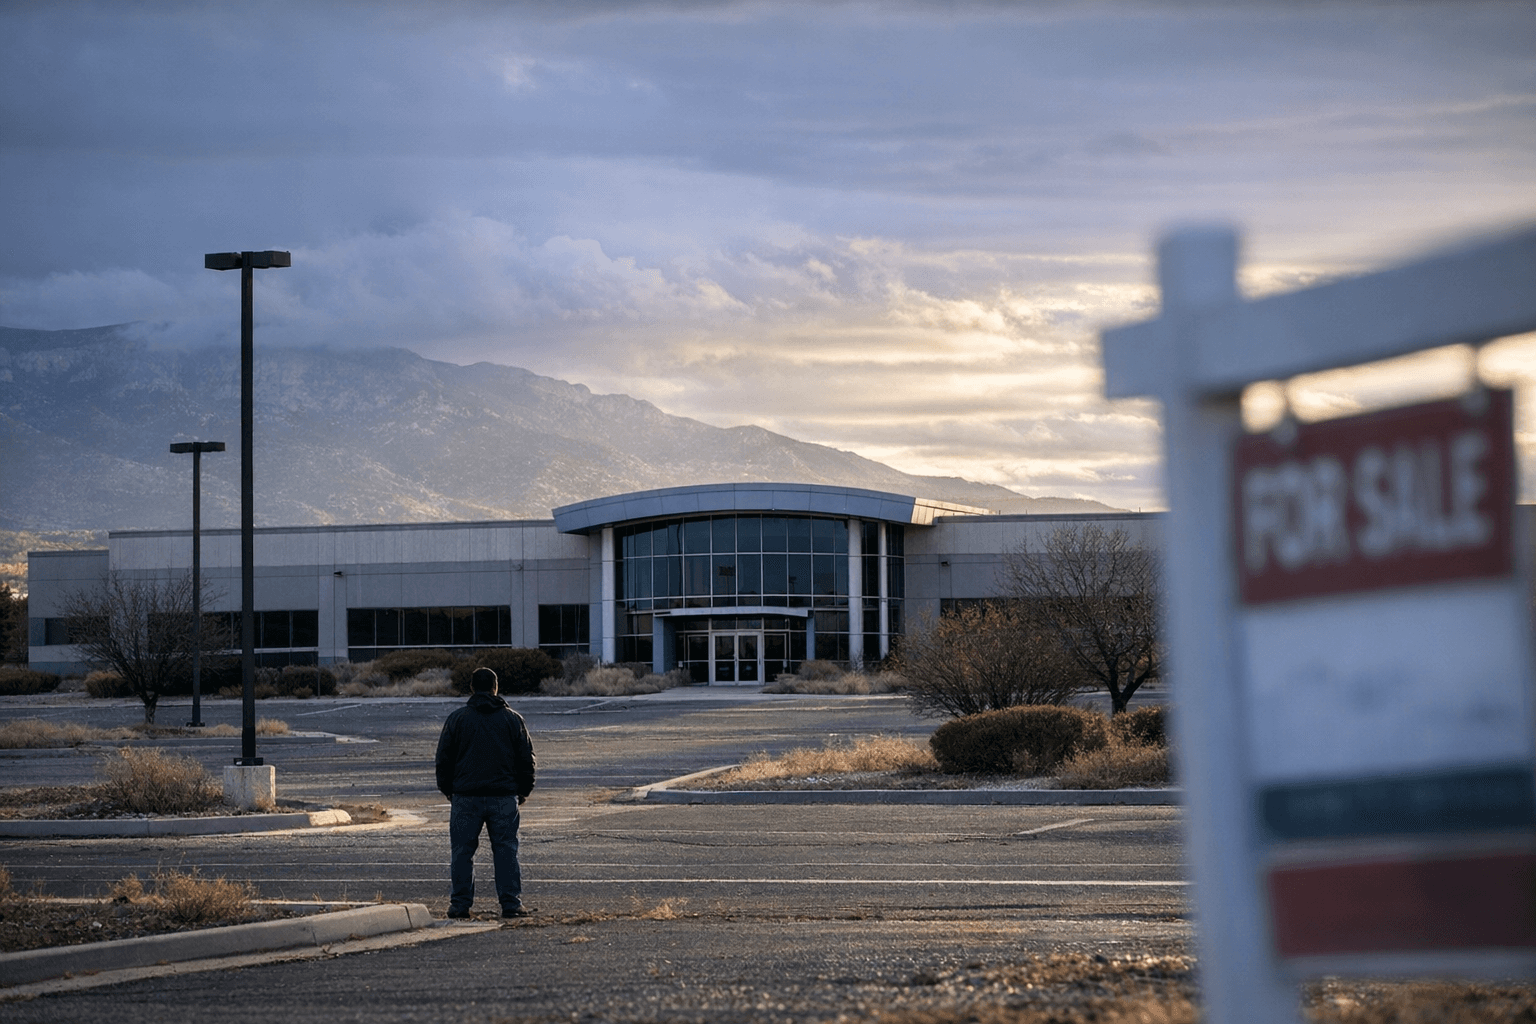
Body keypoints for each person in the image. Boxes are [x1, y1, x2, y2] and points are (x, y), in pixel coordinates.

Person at [434, 667, 536, 918]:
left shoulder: (457, 719)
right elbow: (527, 760)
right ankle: (510, 903)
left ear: (471, 688)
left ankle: (459, 905)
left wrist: (449, 790)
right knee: (505, 851)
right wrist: (523, 791)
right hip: (503, 796)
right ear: (495, 687)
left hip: (465, 797)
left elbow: (443, 760)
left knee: (461, 853)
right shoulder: (513, 719)